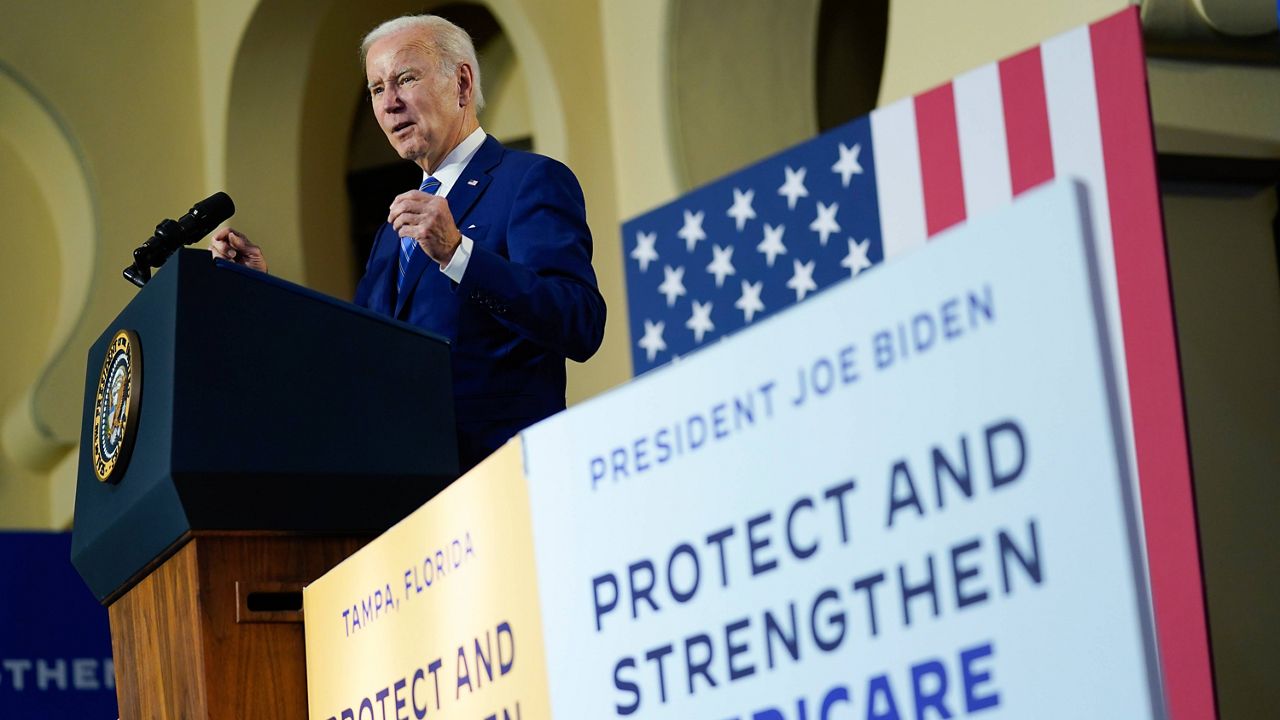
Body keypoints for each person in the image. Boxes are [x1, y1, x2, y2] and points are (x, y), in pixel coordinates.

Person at [211, 14, 606, 471]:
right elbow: (356, 353)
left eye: (405, 79)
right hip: (410, 495)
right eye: (377, 89)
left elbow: (579, 321)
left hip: (505, 477)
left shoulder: (529, 181)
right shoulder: (390, 235)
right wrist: (265, 293)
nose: (389, 103)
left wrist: (459, 254)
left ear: (461, 82)